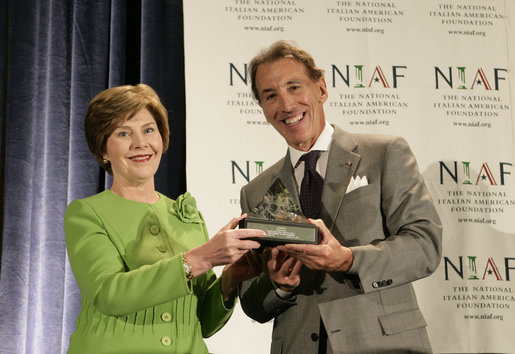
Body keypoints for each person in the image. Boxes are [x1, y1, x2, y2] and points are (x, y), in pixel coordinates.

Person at [239, 40, 443, 353]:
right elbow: (253, 303)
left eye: (294, 87)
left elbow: (424, 245)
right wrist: (278, 286)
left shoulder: (384, 153)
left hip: (382, 345)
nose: (286, 104)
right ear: (264, 110)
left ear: (321, 88)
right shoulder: (256, 191)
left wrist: (348, 259)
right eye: (270, 95)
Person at [64, 84, 264, 353]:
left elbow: (203, 323)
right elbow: (108, 294)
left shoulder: (186, 215)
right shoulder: (86, 213)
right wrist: (201, 258)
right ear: (102, 149)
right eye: (124, 133)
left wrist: (230, 278)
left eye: (149, 130)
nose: (140, 143)